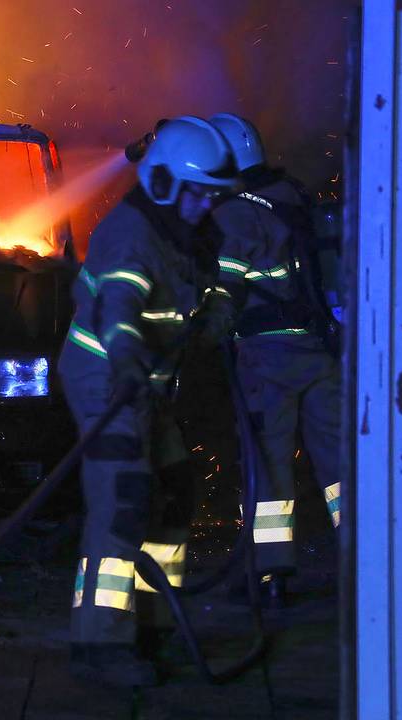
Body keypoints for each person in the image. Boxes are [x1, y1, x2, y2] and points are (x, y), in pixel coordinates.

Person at [61, 116, 238, 686]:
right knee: (123, 501)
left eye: (214, 195)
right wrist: (130, 361)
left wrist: (216, 315)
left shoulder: (184, 231)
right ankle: (100, 643)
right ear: (163, 182)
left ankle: (159, 623)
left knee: (173, 493)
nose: (207, 205)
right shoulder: (130, 233)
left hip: (150, 384)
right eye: (200, 193)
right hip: (109, 384)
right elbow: (119, 311)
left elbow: (206, 291)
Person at [203, 113, 342, 606]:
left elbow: (228, 284)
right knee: (340, 467)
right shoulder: (291, 195)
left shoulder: (235, 212)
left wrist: (202, 326)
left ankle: (270, 573)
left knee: (269, 466)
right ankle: (366, 561)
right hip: (319, 349)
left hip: (268, 357)